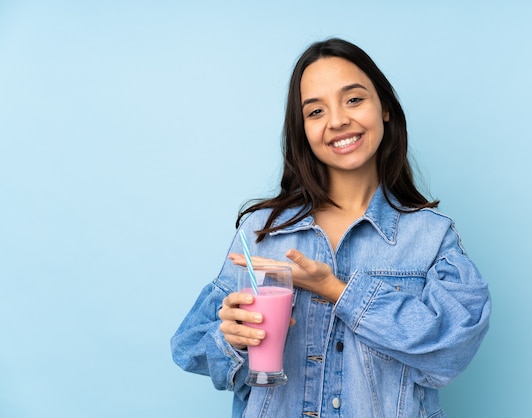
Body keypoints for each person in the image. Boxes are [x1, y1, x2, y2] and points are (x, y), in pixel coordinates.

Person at [171, 37, 491, 418]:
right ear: (302, 129)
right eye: (316, 111)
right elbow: (189, 348)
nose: (338, 120)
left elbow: (451, 350)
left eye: (354, 99)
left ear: (384, 108)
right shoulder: (264, 233)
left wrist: (337, 290)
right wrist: (231, 338)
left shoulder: (430, 236)